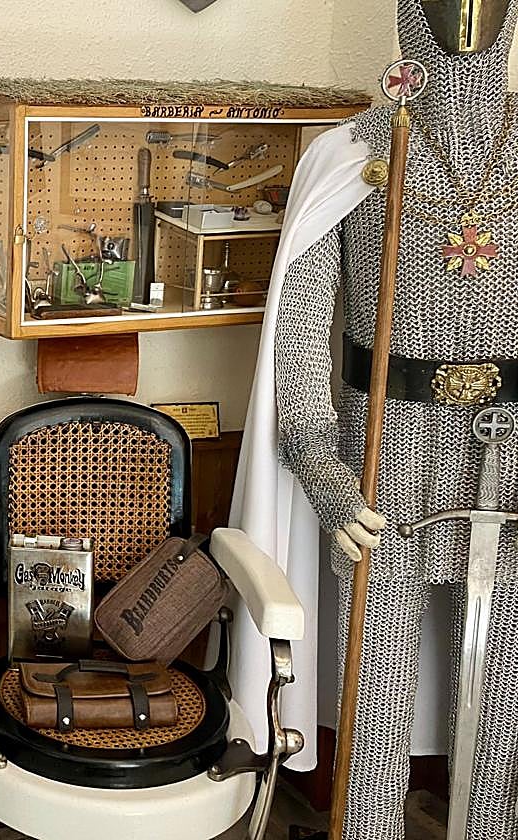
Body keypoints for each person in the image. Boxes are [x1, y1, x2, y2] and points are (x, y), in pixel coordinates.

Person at [232, 1, 518, 837]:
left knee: (502, 696)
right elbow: (299, 337)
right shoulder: (356, 157)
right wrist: (322, 468)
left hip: (510, 454)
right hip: (383, 449)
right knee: (378, 691)